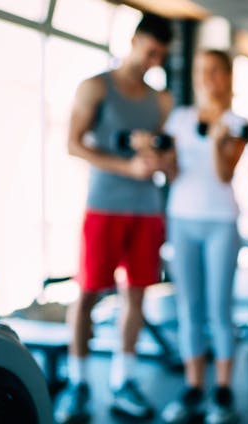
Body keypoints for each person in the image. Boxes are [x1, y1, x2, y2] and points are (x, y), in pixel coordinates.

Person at [55, 13, 174, 423]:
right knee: (88, 293)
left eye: (161, 57)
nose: (154, 62)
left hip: (146, 210)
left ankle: (124, 381)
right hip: (104, 206)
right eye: (151, 52)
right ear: (135, 40)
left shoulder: (161, 101)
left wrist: (157, 159)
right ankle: (78, 382)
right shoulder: (95, 87)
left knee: (136, 296)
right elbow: (73, 144)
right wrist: (126, 167)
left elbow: (166, 155)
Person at [160, 49, 248, 424]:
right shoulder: (179, 119)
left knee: (219, 308)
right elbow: (171, 171)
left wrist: (215, 141)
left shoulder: (237, 123)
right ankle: (194, 386)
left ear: (227, 76)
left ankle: (223, 391)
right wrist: (157, 156)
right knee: (188, 307)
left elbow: (225, 175)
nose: (207, 78)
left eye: (214, 71)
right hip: (181, 218)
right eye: (201, 70)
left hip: (220, 222)